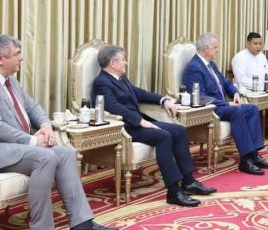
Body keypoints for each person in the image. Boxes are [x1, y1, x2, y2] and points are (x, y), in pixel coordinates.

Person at [0, 35, 118, 230]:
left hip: (18, 146)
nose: (21, 58)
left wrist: (45, 125)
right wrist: (33, 140)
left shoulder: (10, 81)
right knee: (46, 157)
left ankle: (81, 223)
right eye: (17, 54)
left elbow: (33, 107)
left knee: (66, 153)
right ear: (0, 59)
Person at [91, 45, 216, 207]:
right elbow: (113, 107)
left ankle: (189, 181)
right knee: (163, 136)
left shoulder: (120, 78)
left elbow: (139, 93)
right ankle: (173, 191)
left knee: (179, 130)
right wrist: (140, 121)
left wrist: (163, 100)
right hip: (125, 128)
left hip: (137, 124)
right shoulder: (101, 82)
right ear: (112, 63)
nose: (126, 62)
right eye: (123, 59)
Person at [183, 33, 268, 175]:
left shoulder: (210, 64)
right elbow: (201, 97)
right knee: (237, 111)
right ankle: (245, 160)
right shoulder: (194, 68)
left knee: (252, 109)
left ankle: (254, 155)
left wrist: (235, 93)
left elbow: (225, 82)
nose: (218, 50)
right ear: (206, 48)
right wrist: (226, 104)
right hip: (211, 108)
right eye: (215, 47)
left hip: (221, 105)